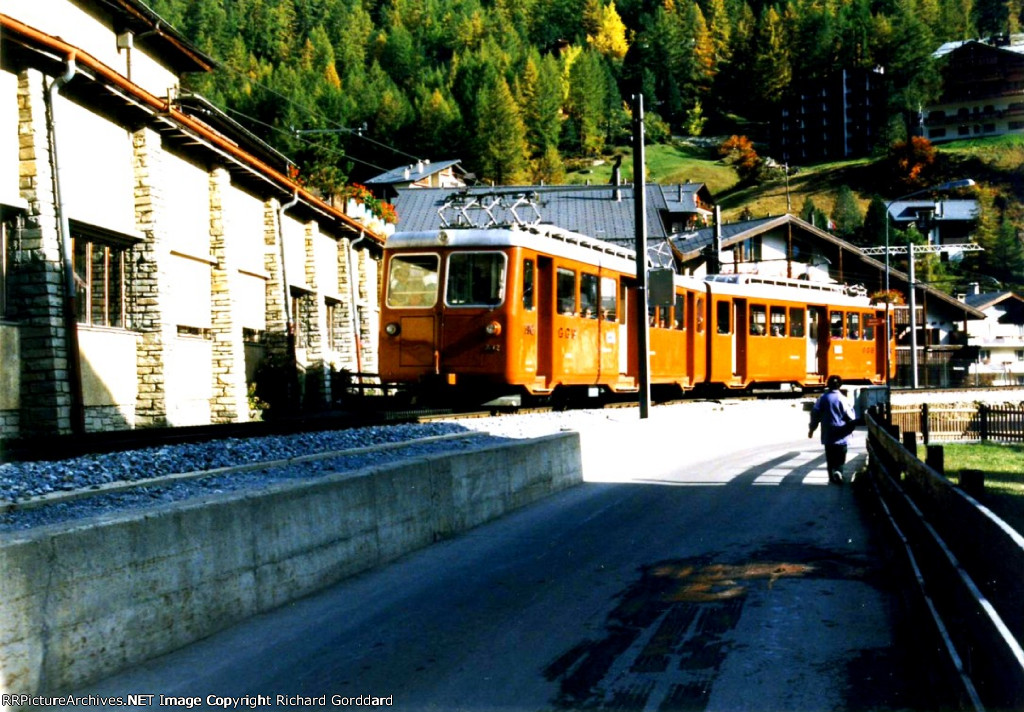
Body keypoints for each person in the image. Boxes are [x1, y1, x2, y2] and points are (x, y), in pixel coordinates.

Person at [808, 374, 857, 485]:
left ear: (828, 385)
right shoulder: (843, 399)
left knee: (830, 456)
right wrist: (851, 429)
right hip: (842, 433)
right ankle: (839, 472)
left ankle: (831, 476)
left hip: (828, 433)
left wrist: (812, 429)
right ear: (840, 385)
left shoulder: (822, 399)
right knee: (841, 456)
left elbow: (815, 415)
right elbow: (851, 417)